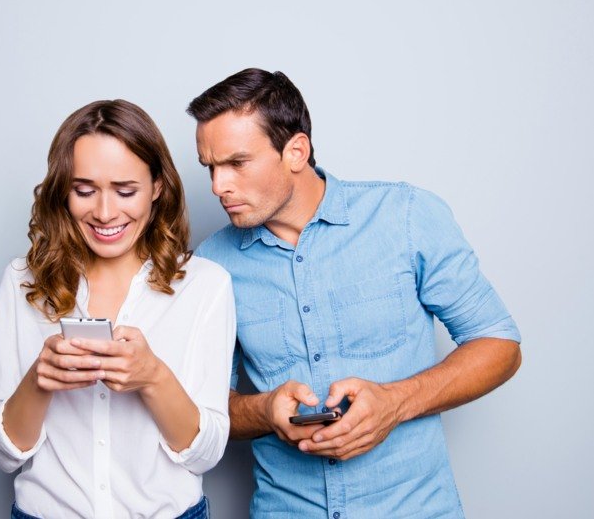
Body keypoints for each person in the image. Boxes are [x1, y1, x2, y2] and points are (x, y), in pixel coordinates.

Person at [188, 69, 522, 518]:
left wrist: (396, 403)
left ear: (296, 151)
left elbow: (500, 344)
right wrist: (266, 411)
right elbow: (204, 413)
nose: (218, 186)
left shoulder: (405, 216)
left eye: (237, 163)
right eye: (210, 167)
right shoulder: (210, 265)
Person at [0, 99, 235, 519]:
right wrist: (39, 380)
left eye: (125, 191)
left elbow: (204, 454)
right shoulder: (21, 281)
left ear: (157, 187)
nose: (104, 212)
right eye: (84, 190)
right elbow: (3, 454)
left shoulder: (206, 285)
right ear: (63, 190)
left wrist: (152, 376)